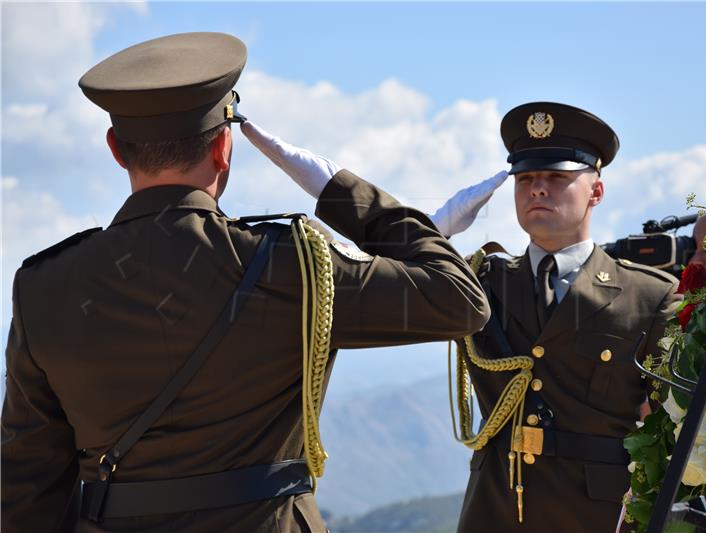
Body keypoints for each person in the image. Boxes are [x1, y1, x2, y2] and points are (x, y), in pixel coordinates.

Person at [1, 32, 490, 532]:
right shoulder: (295, 266)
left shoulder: (44, 286)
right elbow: (458, 299)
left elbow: (27, 484)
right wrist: (336, 191)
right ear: (223, 146)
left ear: (116, 149)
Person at [433, 102, 682, 532]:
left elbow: (673, 424)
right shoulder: (481, 282)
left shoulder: (649, 296)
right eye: (526, 178)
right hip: (494, 509)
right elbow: (399, 290)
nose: (538, 189)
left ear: (596, 192)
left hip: (594, 516)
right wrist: (436, 230)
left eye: (557, 177)